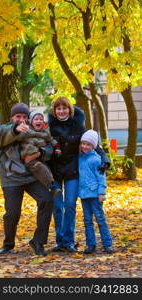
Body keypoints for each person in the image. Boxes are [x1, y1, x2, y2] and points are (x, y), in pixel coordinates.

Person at [48, 97, 110, 253]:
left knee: (69, 204)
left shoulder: (78, 126)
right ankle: (60, 241)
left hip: (72, 170)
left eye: (64, 108)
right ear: (55, 111)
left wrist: (104, 158)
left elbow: (93, 144)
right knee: (57, 206)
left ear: (70, 109)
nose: (61, 111)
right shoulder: (49, 127)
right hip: (54, 171)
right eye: (58, 108)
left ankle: (68, 241)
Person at [0, 103, 53, 256]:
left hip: (30, 177)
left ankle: (38, 241)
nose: (21, 120)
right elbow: (2, 137)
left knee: (47, 200)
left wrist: (40, 151)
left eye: (24, 117)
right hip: (11, 178)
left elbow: (48, 148)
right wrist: (15, 129)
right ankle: (8, 244)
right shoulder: (3, 129)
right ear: (12, 118)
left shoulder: (33, 130)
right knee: (13, 213)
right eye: (18, 117)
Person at [78, 129, 114, 254]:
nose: (85, 146)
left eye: (88, 144)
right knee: (87, 220)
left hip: (95, 195)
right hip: (84, 195)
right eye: (83, 143)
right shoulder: (80, 158)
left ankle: (107, 244)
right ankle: (90, 244)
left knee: (100, 219)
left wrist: (102, 192)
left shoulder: (96, 160)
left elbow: (101, 177)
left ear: (93, 146)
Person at [20, 109, 61, 198]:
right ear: (31, 122)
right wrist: (38, 145)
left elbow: (51, 140)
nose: (39, 121)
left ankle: (51, 188)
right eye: (36, 119)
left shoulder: (45, 132)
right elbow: (27, 142)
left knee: (48, 171)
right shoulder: (28, 132)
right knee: (42, 169)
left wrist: (57, 147)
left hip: (40, 157)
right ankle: (52, 187)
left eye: (41, 119)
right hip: (30, 158)